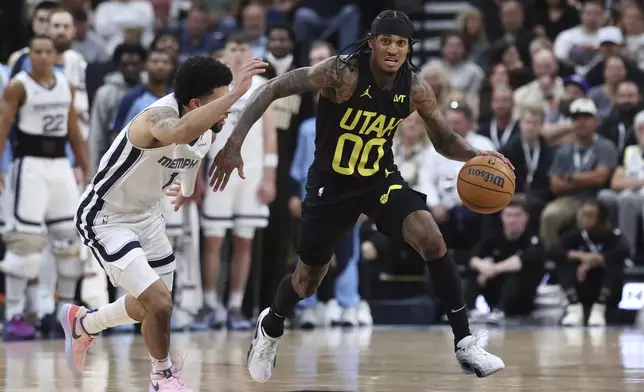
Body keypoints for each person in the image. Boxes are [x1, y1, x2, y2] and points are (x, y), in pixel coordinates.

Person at [210, 10, 508, 382]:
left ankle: (465, 343)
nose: (393, 49)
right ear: (372, 42)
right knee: (306, 283)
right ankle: (270, 325)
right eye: (386, 41)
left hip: (378, 180)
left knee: (431, 237)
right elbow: (272, 89)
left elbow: (444, 139)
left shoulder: (415, 86)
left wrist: (477, 155)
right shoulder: (341, 72)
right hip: (330, 188)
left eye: (401, 43)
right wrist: (234, 144)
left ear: (408, 48)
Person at [57, 56, 267, 391]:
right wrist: (238, 93)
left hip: (148, 217)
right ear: (196, 104)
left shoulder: (207, 133)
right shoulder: (157, 118)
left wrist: (184, 191)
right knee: (160, 302)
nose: (228, 111)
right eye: (222, 100)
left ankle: (84, 323)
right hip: (106, 217)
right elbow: (180, 133)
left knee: (150, 309)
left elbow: (190, 158)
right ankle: (162, 376)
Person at [0, 35, 89, 341]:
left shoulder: (65, 84)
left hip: (60, 166)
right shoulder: (18, 86)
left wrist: (84, 166)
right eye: (36, 51)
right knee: (24, 243)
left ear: (54, 55)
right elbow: (3, 124)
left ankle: (63, 314)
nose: (41, 56)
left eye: (46, 51)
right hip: (30, 166)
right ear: (29, 56)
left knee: (69, 241)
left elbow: (73, 129)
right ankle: (13, 315)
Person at [201, 33, 277, 330]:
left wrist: (270, 176)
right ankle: (209, 303)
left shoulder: (263, 87)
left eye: (242, 48)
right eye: (232, 48)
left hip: (252, 172)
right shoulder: (213, 89)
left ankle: (235, 305)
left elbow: (271, 135)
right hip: (217, 171)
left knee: (245, 242)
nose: (236, 53)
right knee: (213, 240)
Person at [466, 195, 545, 324]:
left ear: (526, 217)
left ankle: (500, 310)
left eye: (517, 215)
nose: (512, 220)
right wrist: (483, 267)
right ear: (502, 217)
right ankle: (465, 309)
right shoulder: (494, 238)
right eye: (509, 215)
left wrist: (492, 270)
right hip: (493, 291)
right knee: (475, 270)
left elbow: (519, 262)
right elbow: (473, 258)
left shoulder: (533, 240)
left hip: (521, 298)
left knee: (514, 273)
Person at [551, 200, 628, 326]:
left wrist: (592, 262)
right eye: (582, 215)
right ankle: (574, 307)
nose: (583, 219)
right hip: (581, 284)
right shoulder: (574, 234)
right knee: (564, 260)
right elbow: (554, 251)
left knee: (614, 262)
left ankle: (600, 307)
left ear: (601, 219)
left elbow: (623, 251)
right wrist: (581, 256)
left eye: (589, 216)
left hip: (605, 288)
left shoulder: (613, 235)